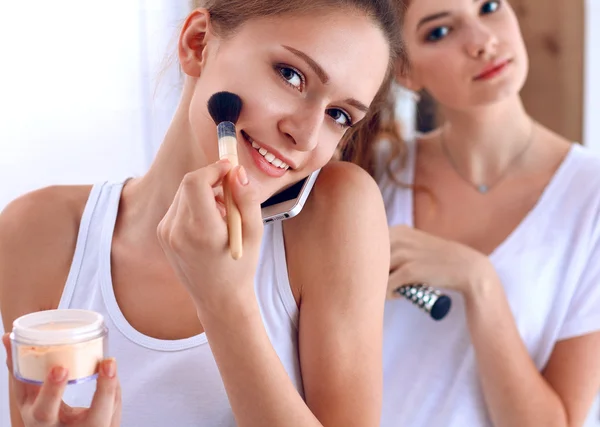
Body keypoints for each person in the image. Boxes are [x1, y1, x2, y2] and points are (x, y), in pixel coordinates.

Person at [0, 1, 401, 425]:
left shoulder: (334, 215)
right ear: (198, 44)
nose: (304, 135)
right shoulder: (34, 234)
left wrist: (226, 301)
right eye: (291, 76)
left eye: (338, 115)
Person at [366, 0, 600, 426]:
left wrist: (479, 282)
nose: (482, 41)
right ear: (405, 71)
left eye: (489, 7)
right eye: (439, 31)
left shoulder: (591, 200)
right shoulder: (376, 175)